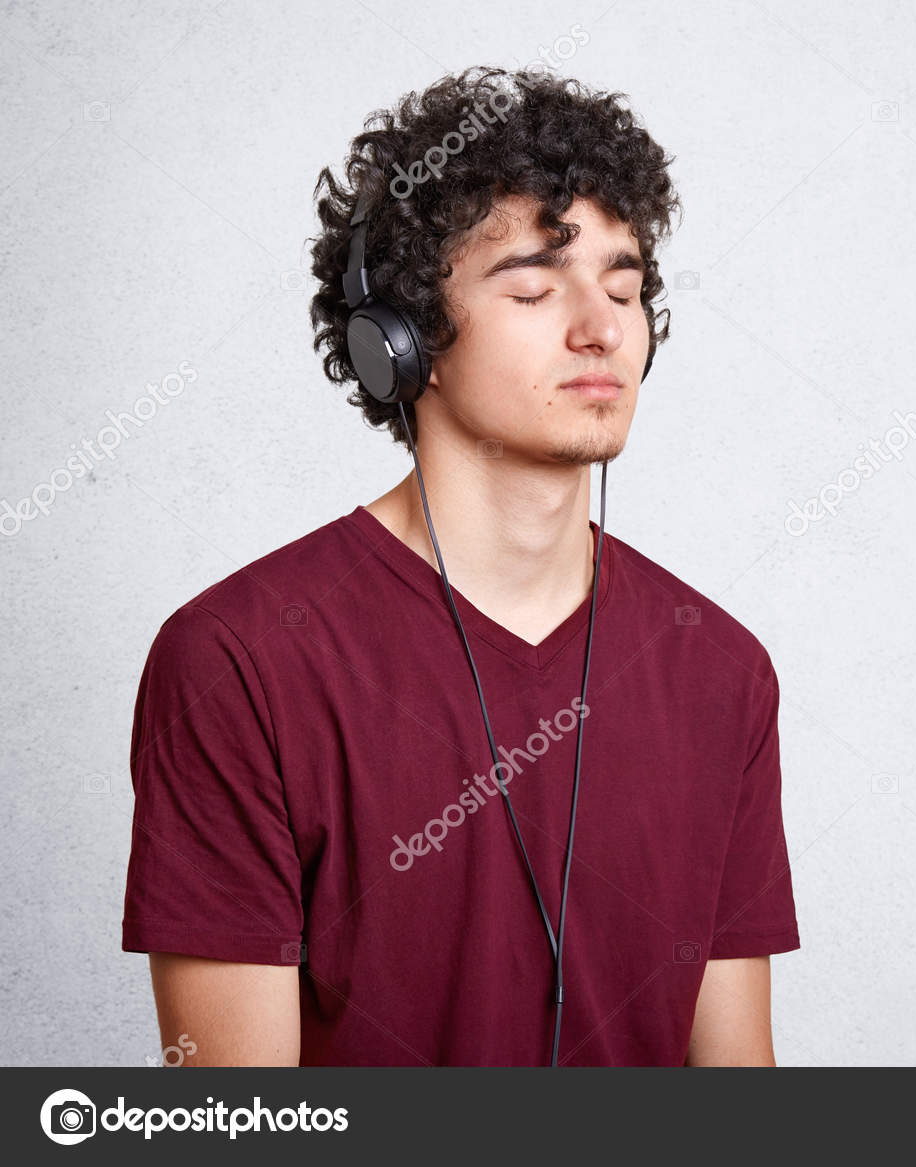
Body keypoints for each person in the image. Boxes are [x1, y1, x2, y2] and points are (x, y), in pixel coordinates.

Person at [121, 66, 800, 1066]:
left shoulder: (721, 671)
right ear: (398, 343)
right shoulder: (237, 662)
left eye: (623, 286)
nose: (601, 326)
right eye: (531, 286)